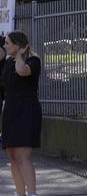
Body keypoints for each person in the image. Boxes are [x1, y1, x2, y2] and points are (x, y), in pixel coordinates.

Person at [1, 31, 42, 196]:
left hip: (26, 110)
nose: (4, 46)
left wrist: (19, 55)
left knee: (22, 155)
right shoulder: (8, 63)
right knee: (12, 156)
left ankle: (31, 193)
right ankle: (20, 193)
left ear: (18, 46)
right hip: (11, 109)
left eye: (7, 43)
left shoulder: (33, 60)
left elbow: (22, 71)